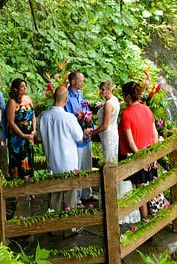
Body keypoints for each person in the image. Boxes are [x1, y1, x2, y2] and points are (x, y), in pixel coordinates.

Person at [85, 80, 139, 223]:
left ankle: (113, 204)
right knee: (112, 163)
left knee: (109, 165)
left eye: (103, 89)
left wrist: (91, 132)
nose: (100, 92)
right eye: (100, 89)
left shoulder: (109, 104)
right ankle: (117, 202)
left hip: (109, 136)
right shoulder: (114, 100)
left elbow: (105, 125)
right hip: (112, 135)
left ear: (110, 89)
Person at [36, 85, 84, 212]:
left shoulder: (42, 116)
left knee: (54, 198)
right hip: (69, 164)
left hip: (52, 163)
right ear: (66, 99)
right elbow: (80, 138)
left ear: (53, 97)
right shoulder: (69, 118)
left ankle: (53, 222)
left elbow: (39, 137)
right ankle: (69, 223)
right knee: (70, 199)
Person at [119, 80, 159, 219]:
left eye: (123, 95)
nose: (123, 97)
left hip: (137, 156)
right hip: (149, 153)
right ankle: (154, 219)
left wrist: (140, 157)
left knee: (140, 191)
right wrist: (153, 155)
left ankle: (145, 221)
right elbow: (155, 133)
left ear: (128, 96)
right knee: (151, 189)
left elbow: (130, 141)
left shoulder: (126, 114)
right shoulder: (147, 109)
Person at [64, 70, 94, 204]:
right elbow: (70, 118)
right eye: (80, 81)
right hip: (76, 138)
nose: (82, 83)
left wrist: (90, 129)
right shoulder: (67, 97)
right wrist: (81, 132)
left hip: (87, 135)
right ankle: (76, 198)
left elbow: (86, 111)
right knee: (77, 167)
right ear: (73, 82)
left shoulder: (81, 94)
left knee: (87, 166)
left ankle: (87, 194)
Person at [5, 78, 36, 179]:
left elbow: (33, 116)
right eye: (22, 87)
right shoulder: (12, 102)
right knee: (18, 163)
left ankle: (30, 183)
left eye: (25, 86)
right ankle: (17, 185)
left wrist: (34, 129)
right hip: (17, 137)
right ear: (15, 89)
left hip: (29, 136)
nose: (25, 88)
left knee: (29, 160)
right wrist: (22, 135)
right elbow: (10, 121)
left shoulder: (28, 99)